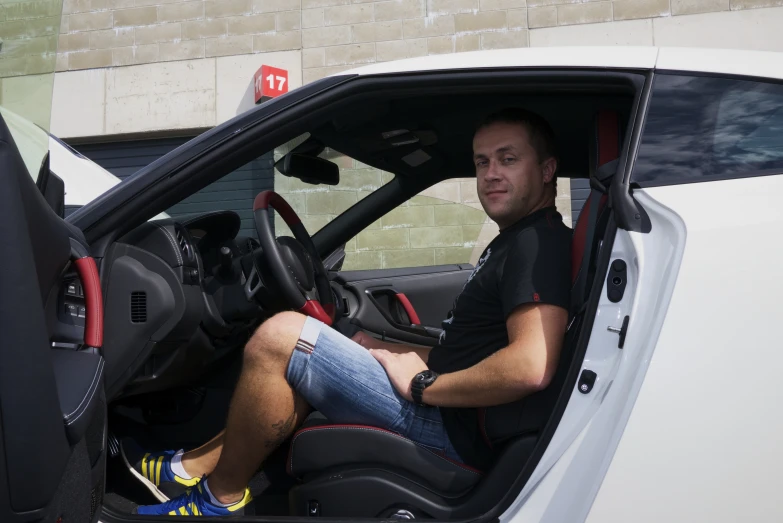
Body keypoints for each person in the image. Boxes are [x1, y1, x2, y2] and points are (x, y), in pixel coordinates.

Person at [125, 107, 572, 516]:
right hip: (455, 414)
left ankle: (216, 500)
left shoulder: (539, 244)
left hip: (454, 431)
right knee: (317, 351)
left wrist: (424, 386)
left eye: (508, 159)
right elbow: (472, 347)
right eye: (481, 162)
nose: (491, 174)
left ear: (547, 169)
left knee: (281, 337)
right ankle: (190, 466)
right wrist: (382, 348)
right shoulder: (514, 240)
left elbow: (531, 366)